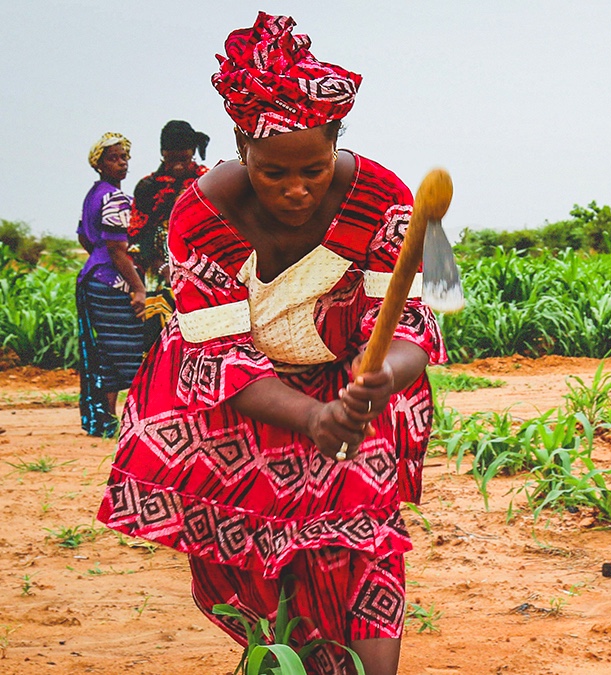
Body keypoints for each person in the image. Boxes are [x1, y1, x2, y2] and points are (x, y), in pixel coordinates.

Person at [97, 13, 446, 675]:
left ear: (337, 147)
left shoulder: (382, 198)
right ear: (239, 147)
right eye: (272, 172)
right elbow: (223, 355)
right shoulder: (200, 216)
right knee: (257, 564)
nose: (296, 189)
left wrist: (382, 380)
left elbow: (407, 329)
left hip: (351, 386)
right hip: (238, 400)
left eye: (313, 170)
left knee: (366, 541)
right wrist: (312, 416)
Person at [76, 132, 147, 437]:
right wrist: (139, 288)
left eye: (124, 157)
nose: (122, 163)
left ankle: (104, 420)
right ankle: (121, 421)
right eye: (114, 158)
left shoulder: (95, 194)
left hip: (92, 278)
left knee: (103, 351)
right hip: (111, 283)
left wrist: (99, 255)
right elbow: (118, 251)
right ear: (99, 163)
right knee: (125, 350)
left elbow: (82, 234)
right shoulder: (115, 198)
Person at [129, 120, 210, 348]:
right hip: (159, 277)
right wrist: (165, 269)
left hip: (203, 276)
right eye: (172, 159)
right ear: (163, 153)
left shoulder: (206, 182)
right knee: (159, 340)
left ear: (193, 153)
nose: (177, 167)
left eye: (184, 159)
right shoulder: (147, 187)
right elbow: (138, 236)